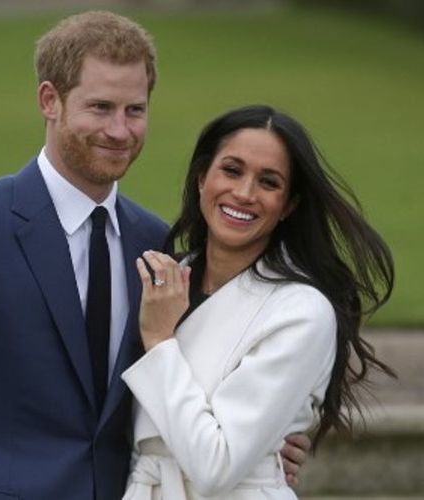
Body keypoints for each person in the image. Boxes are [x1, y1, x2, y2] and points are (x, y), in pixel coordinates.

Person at [0, 12, 307, 500]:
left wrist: (263, 443)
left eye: (134, 110)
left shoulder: (155, 243)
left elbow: (182, 383)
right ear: (49, 101)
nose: (119, 130)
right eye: (100, 107)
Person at [120, 104, 396, 498]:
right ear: (202, 177)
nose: (245, 193)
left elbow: (216, 465)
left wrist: (162, 341)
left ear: (289, 205)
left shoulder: (301, 312)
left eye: (269, 182)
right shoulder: (163, 282)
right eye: (231, 170)